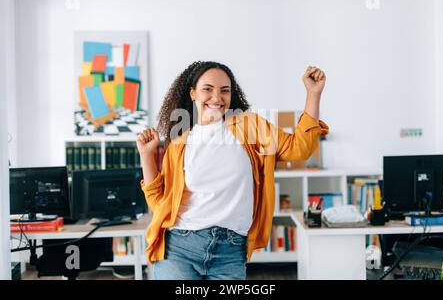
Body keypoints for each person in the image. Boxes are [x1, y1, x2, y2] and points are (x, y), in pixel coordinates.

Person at [137, 61, 329, 280]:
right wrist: (146, 155)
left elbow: (300, 149)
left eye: (224, 91)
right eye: (207, 89)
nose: (217, 98)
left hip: (230, 251)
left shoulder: (249, 127)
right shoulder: (180, 143)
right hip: (180, 248)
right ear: (192, 94)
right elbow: (159, 202)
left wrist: (313, 94)